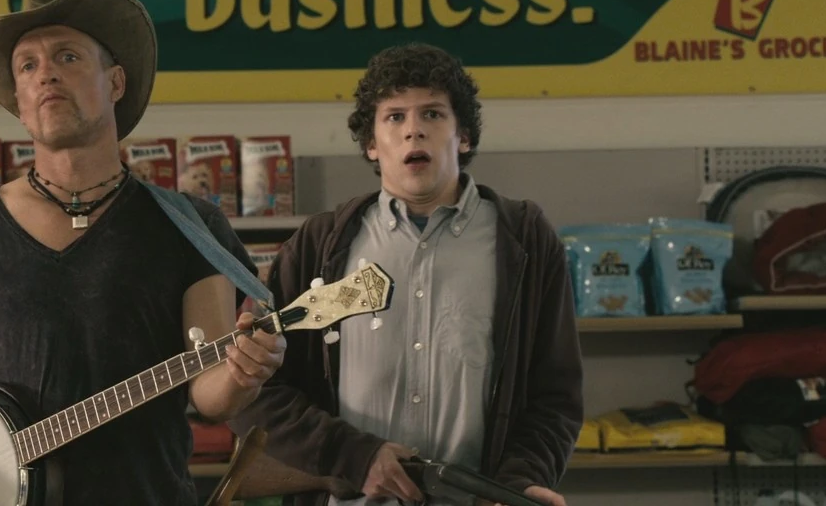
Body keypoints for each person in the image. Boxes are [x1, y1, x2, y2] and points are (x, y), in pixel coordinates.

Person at [0, 0, 287, 506]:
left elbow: (210, 395)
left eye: (68, 57)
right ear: (19, 102)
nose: (45, 74)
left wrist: (245, 372)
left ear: (116, 82)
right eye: (27, 66)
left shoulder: (190, 224)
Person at [228, 43, 584, 506]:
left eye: (432, 114)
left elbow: (555, 398)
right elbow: (256, 391)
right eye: (394, 117)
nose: (414, 129)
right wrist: (354, 457)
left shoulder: (526, 241)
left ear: (463, 136)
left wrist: (518, 484)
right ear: (372, 145)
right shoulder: (318, 246)